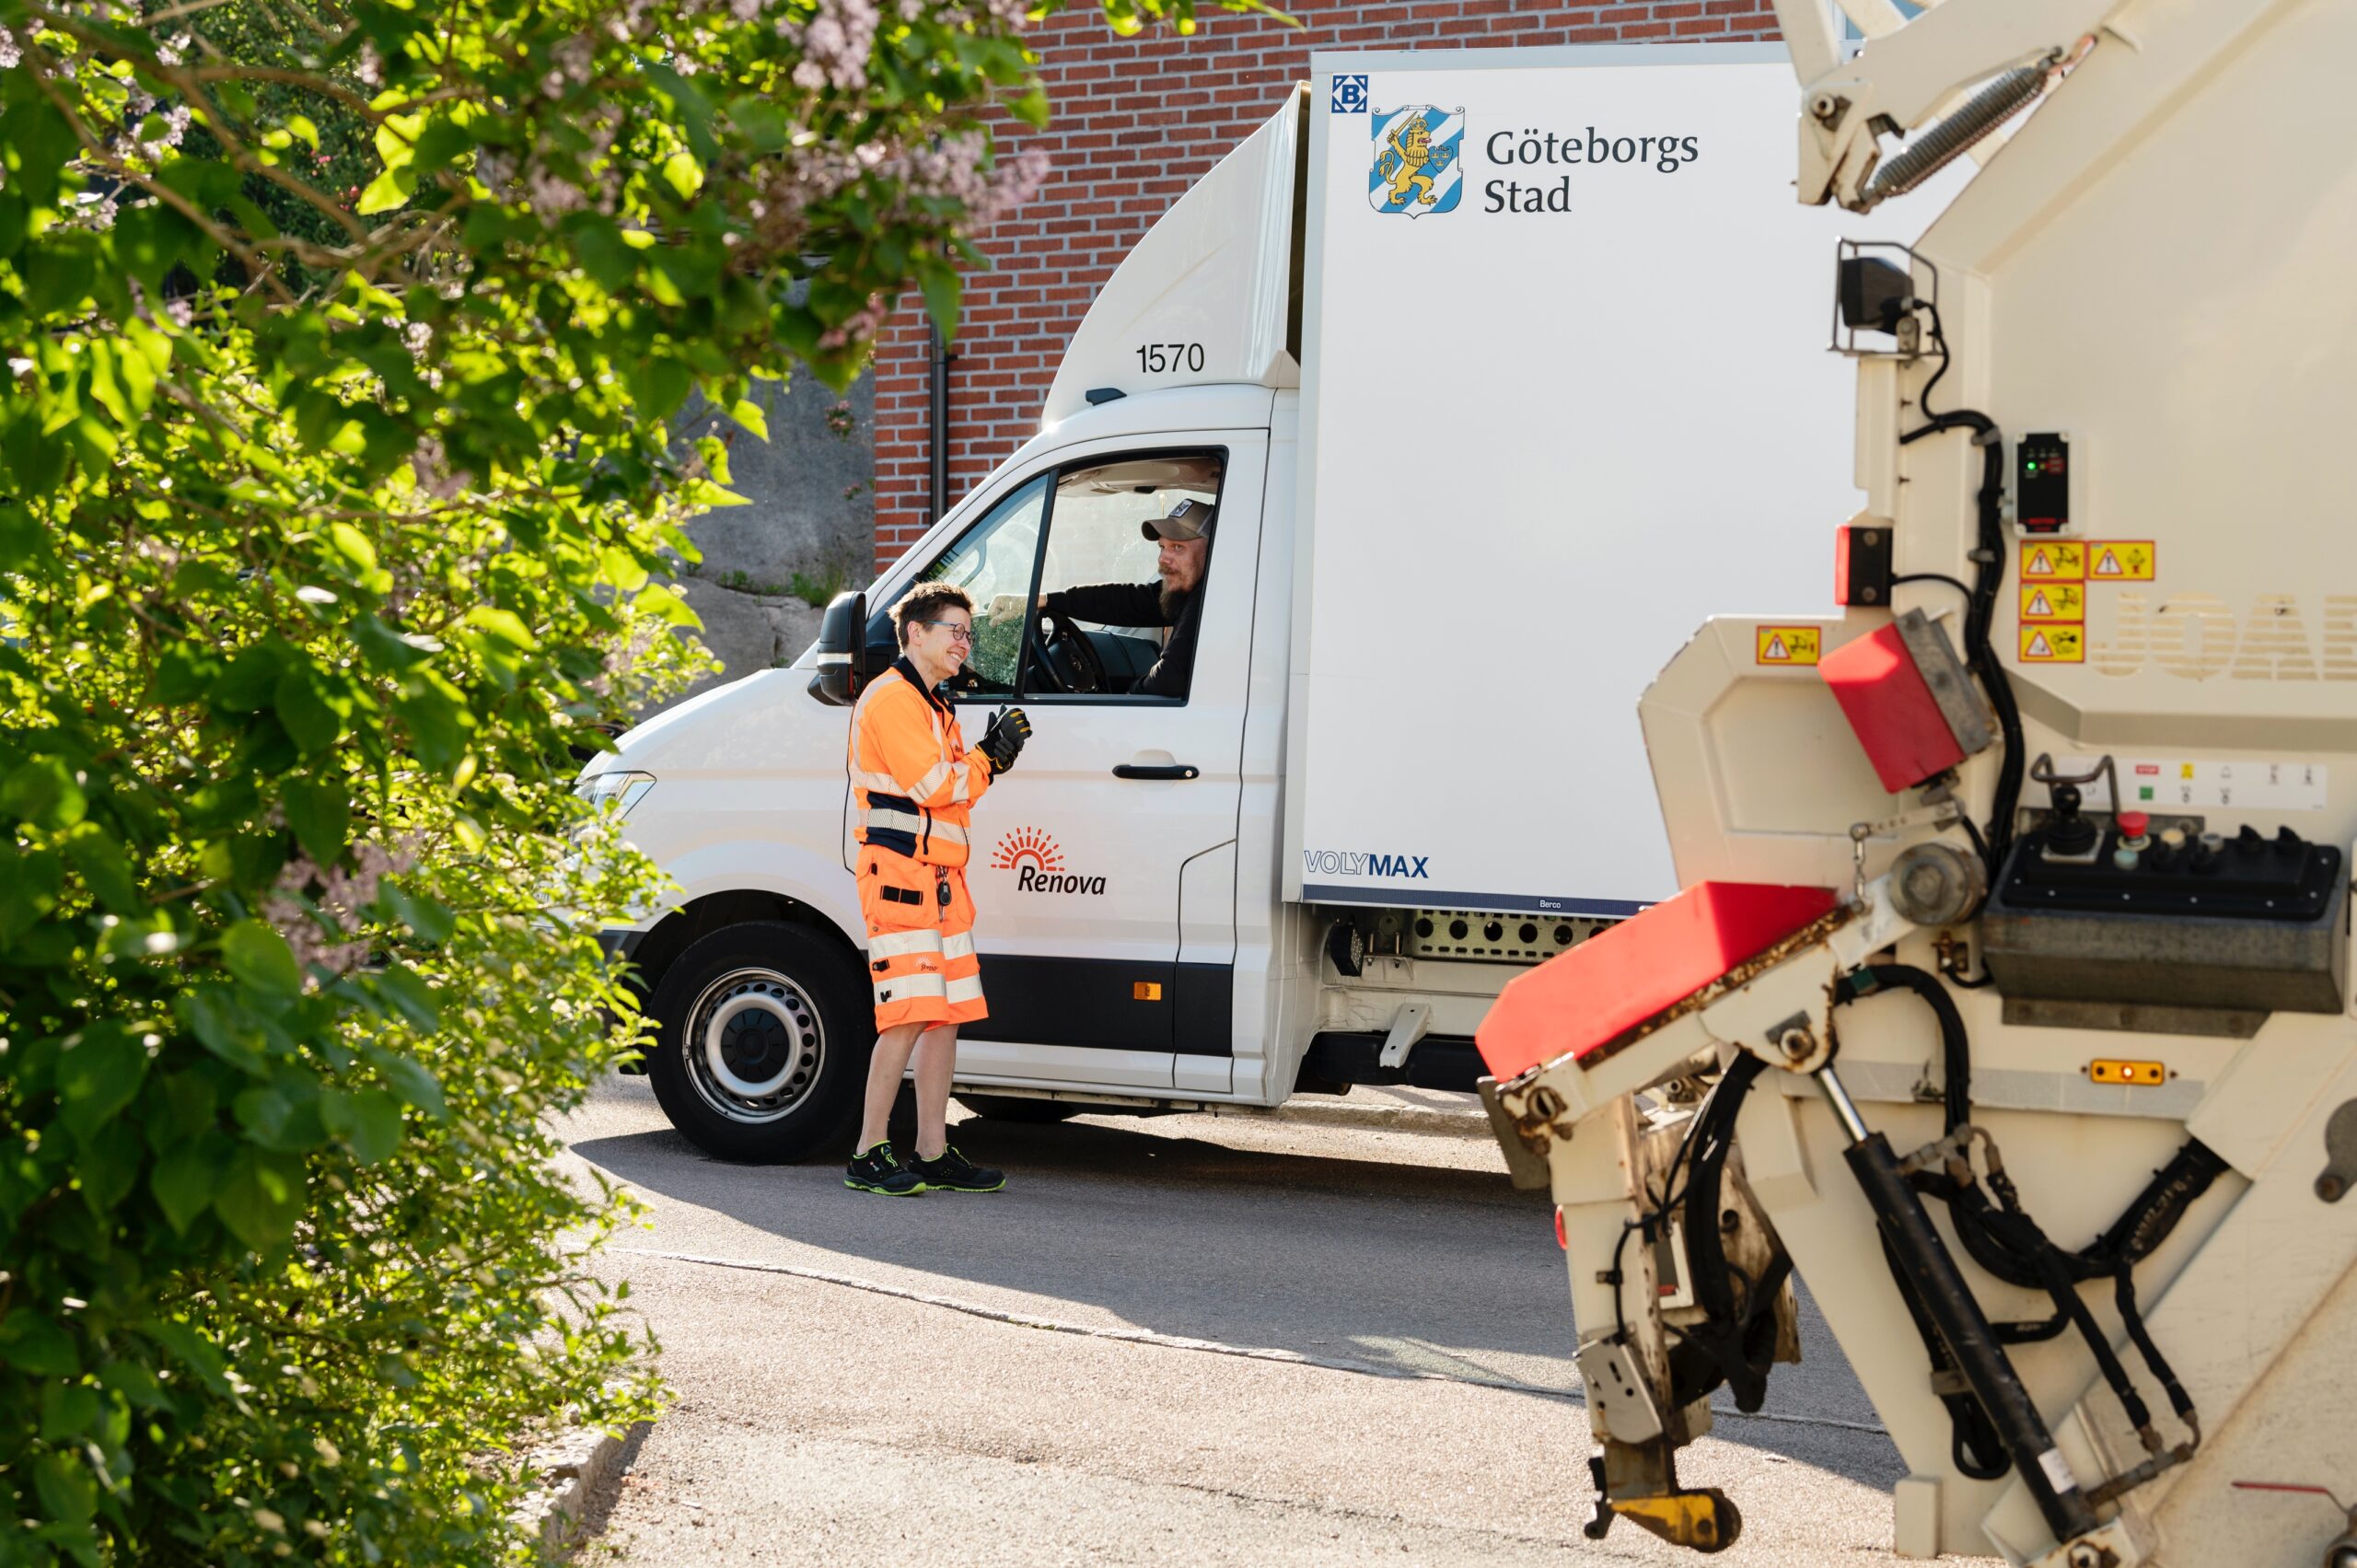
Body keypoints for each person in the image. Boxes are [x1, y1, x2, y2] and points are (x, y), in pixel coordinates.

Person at [842, 583, 1030, 1196]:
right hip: (900, 880)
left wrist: (985, 763)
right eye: (954, 629)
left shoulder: (934, 705)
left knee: (944, 1017)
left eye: (968, 633)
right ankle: (868, 1152)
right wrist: (987, 758)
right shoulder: (893, 699)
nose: (964, 642)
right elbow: (934, 787)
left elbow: (954, 794)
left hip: (940, 883)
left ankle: (931, 1151)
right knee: (907, 1016)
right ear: (915, 633)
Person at [994, 496, 1213, 698]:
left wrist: (1128, 699)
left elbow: (1171, 678)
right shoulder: (1189, 591)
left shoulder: (1208, 599)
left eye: (1178, 547)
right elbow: (1127, 601)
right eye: (1162, 547)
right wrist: (1044, 600)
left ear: (1212, 550)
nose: (1163, 558)